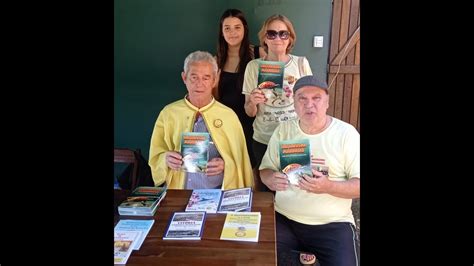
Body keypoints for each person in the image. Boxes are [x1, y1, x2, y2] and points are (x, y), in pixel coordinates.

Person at [259, 75, 360, 266]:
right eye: (302, 98)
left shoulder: (346, 134)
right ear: (294, 103)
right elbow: (265, 170)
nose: (309, 104)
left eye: (316, 98)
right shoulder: (283, 131)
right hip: (284, 219)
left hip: (333, 224)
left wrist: (327, 186)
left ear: (327, 102)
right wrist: (270, 178)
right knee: (257, 258)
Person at [148, 50, 254, 190]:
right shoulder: (169, 113)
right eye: (194, 77)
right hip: (177, 192)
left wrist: (225, 165)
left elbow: (241, 163)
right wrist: (166, 159)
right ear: (184, 78)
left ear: (215, 80)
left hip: (216, 193)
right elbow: (156, 156)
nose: (199, 84)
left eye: (206, 77)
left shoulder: (228, 116)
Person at [242, 14, 312, 190]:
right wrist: (252, 101)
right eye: (271, 34)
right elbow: (249, 112)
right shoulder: (253, 67)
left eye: (283, 34)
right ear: (264, 38)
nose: (278, 38)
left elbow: (311, 104)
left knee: (294, 189)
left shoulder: (301, 64)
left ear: (290, 38)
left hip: (294, 138)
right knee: (267, 190)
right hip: (264, 138)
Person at [214, 8, 266, 168]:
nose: (232, 32)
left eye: (237, 27)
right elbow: (215, 98)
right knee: (231, 169)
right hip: (226, 123)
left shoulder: (259, 53)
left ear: (245, 29)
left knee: (254, 171)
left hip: (254, 121)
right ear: (222, 32)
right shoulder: (216, 60)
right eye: (227, 28)